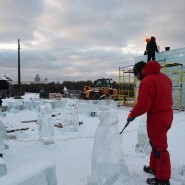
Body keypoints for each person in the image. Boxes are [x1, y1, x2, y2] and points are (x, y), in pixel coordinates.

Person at [127, 61, 173, 185]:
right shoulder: (165, 78)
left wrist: (132, 114)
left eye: (137, 75)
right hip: (167, 115)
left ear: (141, 71)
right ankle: (154, 168)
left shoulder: (147, 81)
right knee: (154, 143)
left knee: (160, 147)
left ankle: (162, 179)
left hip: (157, 118)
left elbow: (143, 105)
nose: (137, 78)